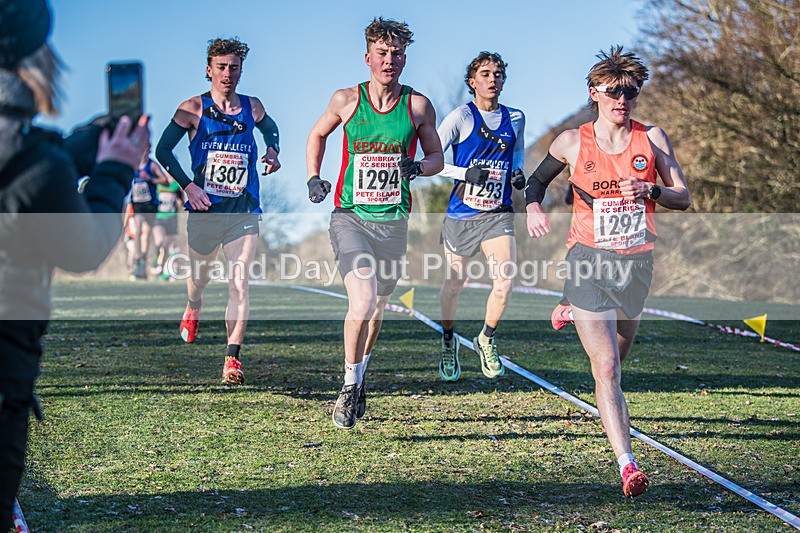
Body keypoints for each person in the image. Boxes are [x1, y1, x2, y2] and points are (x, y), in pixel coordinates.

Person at [0, 0, 150, 528]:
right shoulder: (34, 163)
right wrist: (113, 173)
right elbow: (84, 247)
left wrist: (73, 151)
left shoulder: (37, 157)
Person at [524, 46, 691, 497]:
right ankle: (627, 464)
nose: (624, 99)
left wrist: (650, 188)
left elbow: (683, 196)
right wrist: (534, 208)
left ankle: (570, 309)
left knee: (619, 356)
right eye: (615, 91)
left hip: (636, 264)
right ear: (594, 93)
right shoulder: (572, 142)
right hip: (588, 261)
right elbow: (536, 182)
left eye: (631, 92)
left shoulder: (652, 139)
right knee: (608, 368)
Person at [305, 17, 443, 429]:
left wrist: (417, 166)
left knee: (378, 307)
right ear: (368, 57)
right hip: (351, 217)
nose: (390, 60)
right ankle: (348, 386)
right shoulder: (346, 100)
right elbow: (317, 135)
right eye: (382, 53)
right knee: (362, 301)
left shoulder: (417, 106)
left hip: (394, 221)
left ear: (405, 59)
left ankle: (359, 380)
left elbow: (437, 158)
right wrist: (314, 177)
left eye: (397, 54)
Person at [156, 37, 281, 384]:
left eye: (234, 68)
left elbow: (271, 129)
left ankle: (232, 359)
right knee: (199, 279)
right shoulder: (192, 109)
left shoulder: (251, 107)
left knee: (239, 281)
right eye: (221, 68)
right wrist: (188, 186)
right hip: (205, 209)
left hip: (243, 211)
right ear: (209, 70)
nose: (228, 74)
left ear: (241, 71)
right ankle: (193, 305)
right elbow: (163, 151)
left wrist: (273, 151)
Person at [436, 51, 526, 382]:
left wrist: (518, 175)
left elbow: (517, 155)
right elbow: (431, 160)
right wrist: (463, 173)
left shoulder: (515, 118)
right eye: (485, 74)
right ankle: (448, 340)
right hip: (462, 214)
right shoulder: (460, 117)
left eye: (498, 73)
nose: (493, 79)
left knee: (505, 282)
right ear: (472, 82)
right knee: (453, 285)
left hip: (498, 214)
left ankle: (485, 338)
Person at [130, 149, 169, 279]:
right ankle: (137, 259)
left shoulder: (152, 165)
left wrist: (150, 179)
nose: (143, 153)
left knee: (150, 237)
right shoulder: (133, 164)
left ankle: (146, 262)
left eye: (146, 150)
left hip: (150, 205)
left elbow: (164, 181)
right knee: (138, 230)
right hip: (137, 204)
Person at [151, 173, 182, 281]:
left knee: (169, 247)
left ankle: (162, 272)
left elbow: (181, 201)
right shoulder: (158, 185)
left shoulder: (175, 186)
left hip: (172, 219)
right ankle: (156, 258)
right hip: (159, 218)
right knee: (160, 242)